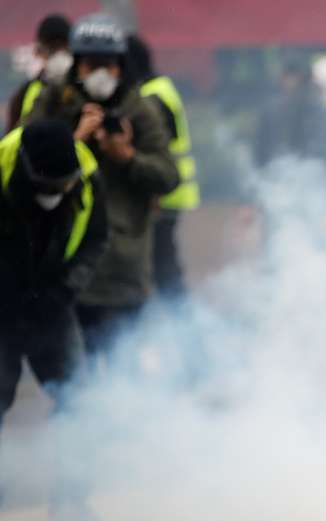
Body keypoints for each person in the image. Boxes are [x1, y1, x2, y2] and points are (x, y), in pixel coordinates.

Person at [26, 13, 179, 362]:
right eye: (92, 64)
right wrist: (72, 141)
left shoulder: (138, 109)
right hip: (64, 273)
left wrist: (127, 157)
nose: (100, 74)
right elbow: (22, 161)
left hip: (123, 270)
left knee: (120, 372)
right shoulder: (52, 104)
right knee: (72, 378)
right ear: (77, 65)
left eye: (108, 65)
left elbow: (168, 176)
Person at [0, 120, 107, 426]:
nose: (58, 192)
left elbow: (96, 239)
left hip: (53, 302)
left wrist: (63, 290)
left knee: (78, 396)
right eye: (50, 187)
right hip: (3, 309)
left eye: (65, 185)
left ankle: (77, 468)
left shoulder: (86, 176)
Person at [127, 34, 198, 299]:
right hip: (171, 193)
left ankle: (181, 321)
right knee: (164, 263)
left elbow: (156, 151)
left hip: (164, 195)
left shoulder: (152, 97)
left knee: (163, 266)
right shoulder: (161, 89)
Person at [253, 57, 326, 167]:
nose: (293, 84)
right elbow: (261, 151)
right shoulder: (271, 113)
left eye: (300, 80)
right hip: (278, 175)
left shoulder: (324, 114)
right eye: (290, 78)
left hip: (314, 175)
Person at [5, 14, 72, 133]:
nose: (59, 55)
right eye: (53, 48)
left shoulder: (84, 88)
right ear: (39, 52)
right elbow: (13, 140)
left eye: (64, 47)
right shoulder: (25, 93)